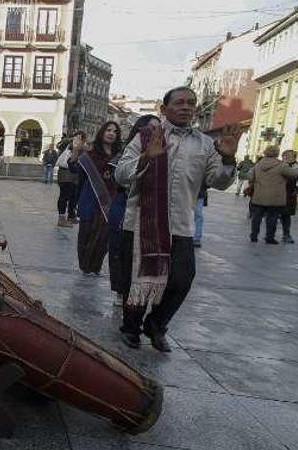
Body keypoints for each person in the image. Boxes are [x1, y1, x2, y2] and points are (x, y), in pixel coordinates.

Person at [115, 86, 239, 353]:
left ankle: (156, 325)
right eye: (179, 102)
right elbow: (121, 174)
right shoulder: (145, 137)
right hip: (140, 222)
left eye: (191, 103)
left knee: (182, 279)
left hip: (180, 224)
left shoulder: (205, 144)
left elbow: (218, 181)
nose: (186, 107)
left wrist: (228, 157)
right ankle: (130, 328)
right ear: (164, 109)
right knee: (136, 279)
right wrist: (146, 157)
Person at [108, 115, 161, 307]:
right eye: (149, 129)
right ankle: (120, 290)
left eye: (158, 128)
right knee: (119, 250)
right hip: (124, 203)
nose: (154, 133)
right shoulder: (127, 151)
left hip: (150, 208)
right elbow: (119, 177)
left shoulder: (166, 151)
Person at [67, 122, 122, 275]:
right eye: (108, 130)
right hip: (90, 199)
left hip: (111, 202)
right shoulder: (91, 154)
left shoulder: (120, 155)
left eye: (115, 131)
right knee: (86, 234)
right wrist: (76, 151)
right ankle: (85, 266)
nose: (111, 133)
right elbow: (74, 169)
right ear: (102, 133)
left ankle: (95, 267)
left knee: (103, 237)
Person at [247, 145, 298, 244]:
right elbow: (295, 174)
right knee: (272, 218)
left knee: (256, 217)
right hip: (275, 198)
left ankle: (254, 235)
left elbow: (250, 177)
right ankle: (269, 238)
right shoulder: (281, 165)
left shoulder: (258, 165)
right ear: (277, 153)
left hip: (259, 196)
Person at [55, 131, 84, 227]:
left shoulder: (67, 143)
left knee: (72, 196)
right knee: (65, 196)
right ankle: (62, 219)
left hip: (70, 175)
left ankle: (70, 216)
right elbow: (74, 158)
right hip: (66, 174)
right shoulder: (72, 144)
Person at [280, 149, 298, 244]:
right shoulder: (279, 165)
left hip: (289, 195)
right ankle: (269, 235)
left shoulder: (297, 167)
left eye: (289, 156)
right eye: (285, 156)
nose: (287, 157)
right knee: (272, 215)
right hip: (276, 194)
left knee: (286, 215)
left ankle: (286, 234)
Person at [193, 183, 207, 248]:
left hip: (198, 194)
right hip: (188, 192)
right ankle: (197, 238)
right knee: (198, 216)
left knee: (198, 216)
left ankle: (197, 238)